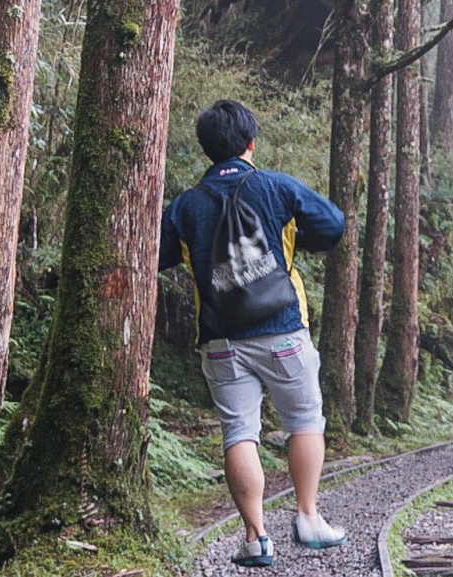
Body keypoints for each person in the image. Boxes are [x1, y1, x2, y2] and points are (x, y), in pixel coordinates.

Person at [159, 99, 348, 568]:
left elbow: (158, 255)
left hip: (220, 340)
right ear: (251, 142)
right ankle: (307, 516)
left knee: (239, 431)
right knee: (305, 420)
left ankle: (255, 536)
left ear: (207, 149)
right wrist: (293, 239)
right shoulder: (275, 187)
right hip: (282, 329)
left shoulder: (184, 206)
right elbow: (334, 225)